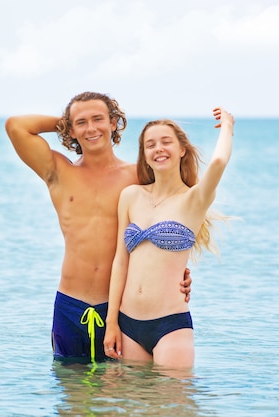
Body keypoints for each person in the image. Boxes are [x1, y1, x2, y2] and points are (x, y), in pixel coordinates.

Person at [4, 92, 192, 364]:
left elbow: (172, 220)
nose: (91, 128)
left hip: (121, 309)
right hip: (70, 304)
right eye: (81, 123)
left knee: (123, 395)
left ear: (114, 123)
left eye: (98, 120)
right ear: (70, 129)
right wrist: (69, 123)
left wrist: (178, 271)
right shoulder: (58, 171)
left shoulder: (138, 176)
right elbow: (16, 126)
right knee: (71, 396)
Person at [103, 107, 235, 369]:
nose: (158, 149)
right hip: (127, 323)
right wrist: (111, 323)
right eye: (150, 145)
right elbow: (120, 261)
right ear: (145, 156)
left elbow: (218, 163)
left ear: (182, 150)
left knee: (176, 407)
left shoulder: (194, 199)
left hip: (170, 324)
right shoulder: (131, 196)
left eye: (166, 142)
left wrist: (228, 126)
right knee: (133, 405)